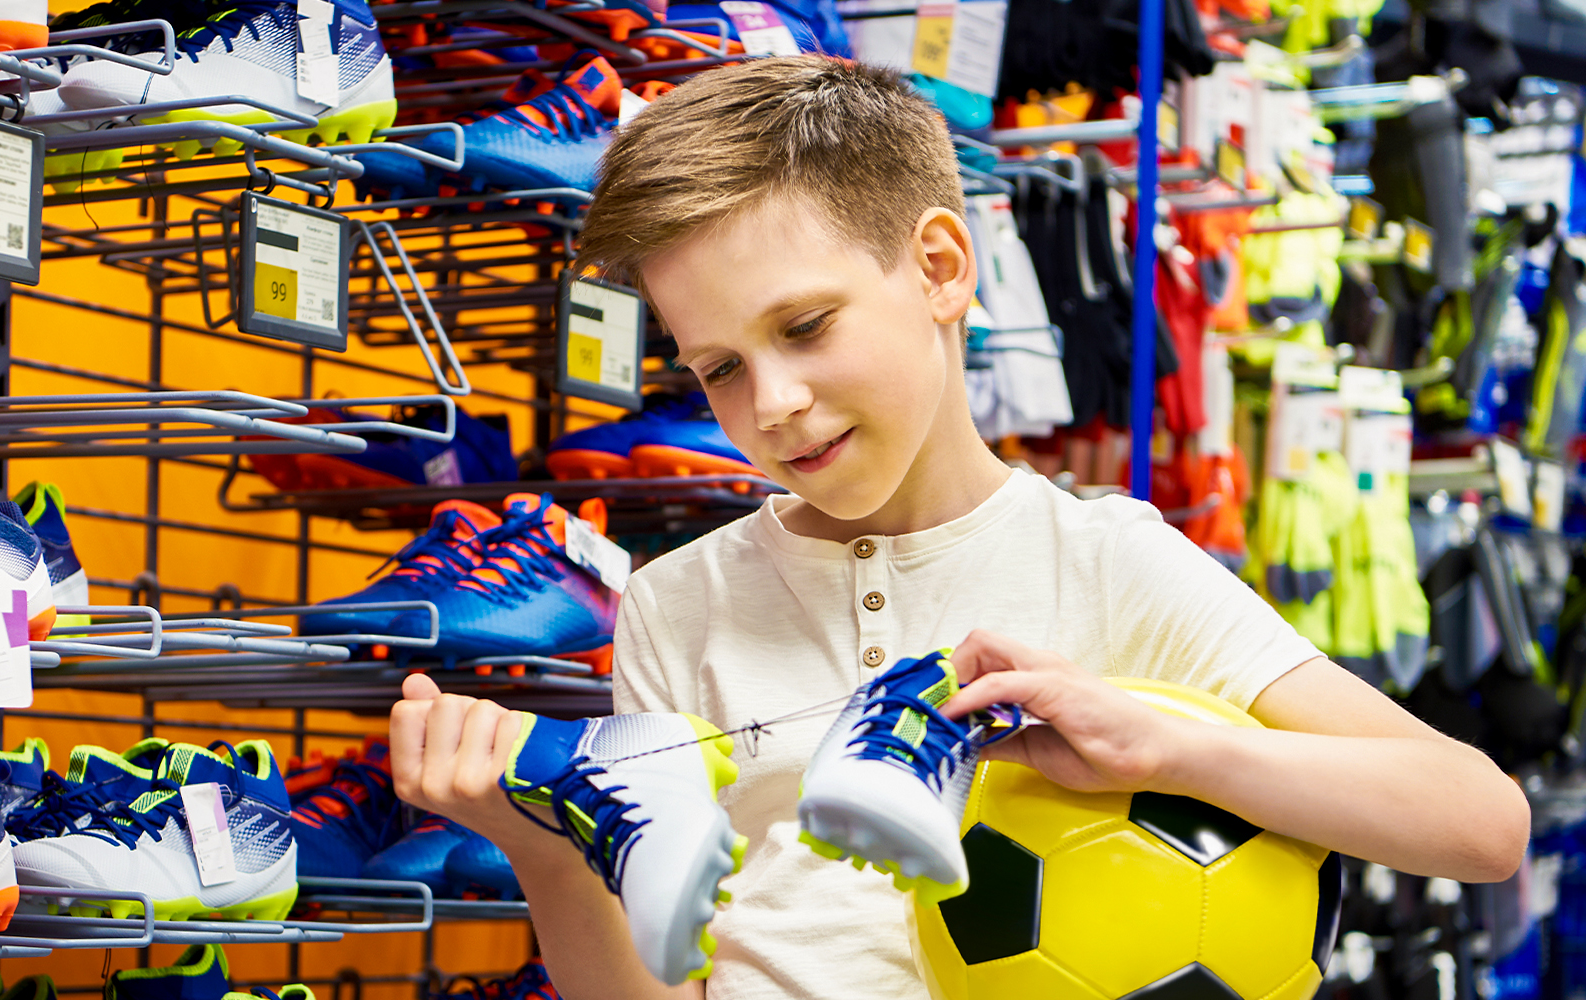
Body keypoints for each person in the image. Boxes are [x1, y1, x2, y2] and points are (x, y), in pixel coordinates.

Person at [388, 55, 1530, 1000]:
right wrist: (548, 847)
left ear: (938, 268)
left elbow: (1479, 822)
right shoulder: (677, 600)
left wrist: (1166, 743)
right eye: (720, 367)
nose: (770, 403)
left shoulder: (1106, 561)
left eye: (806, 325)